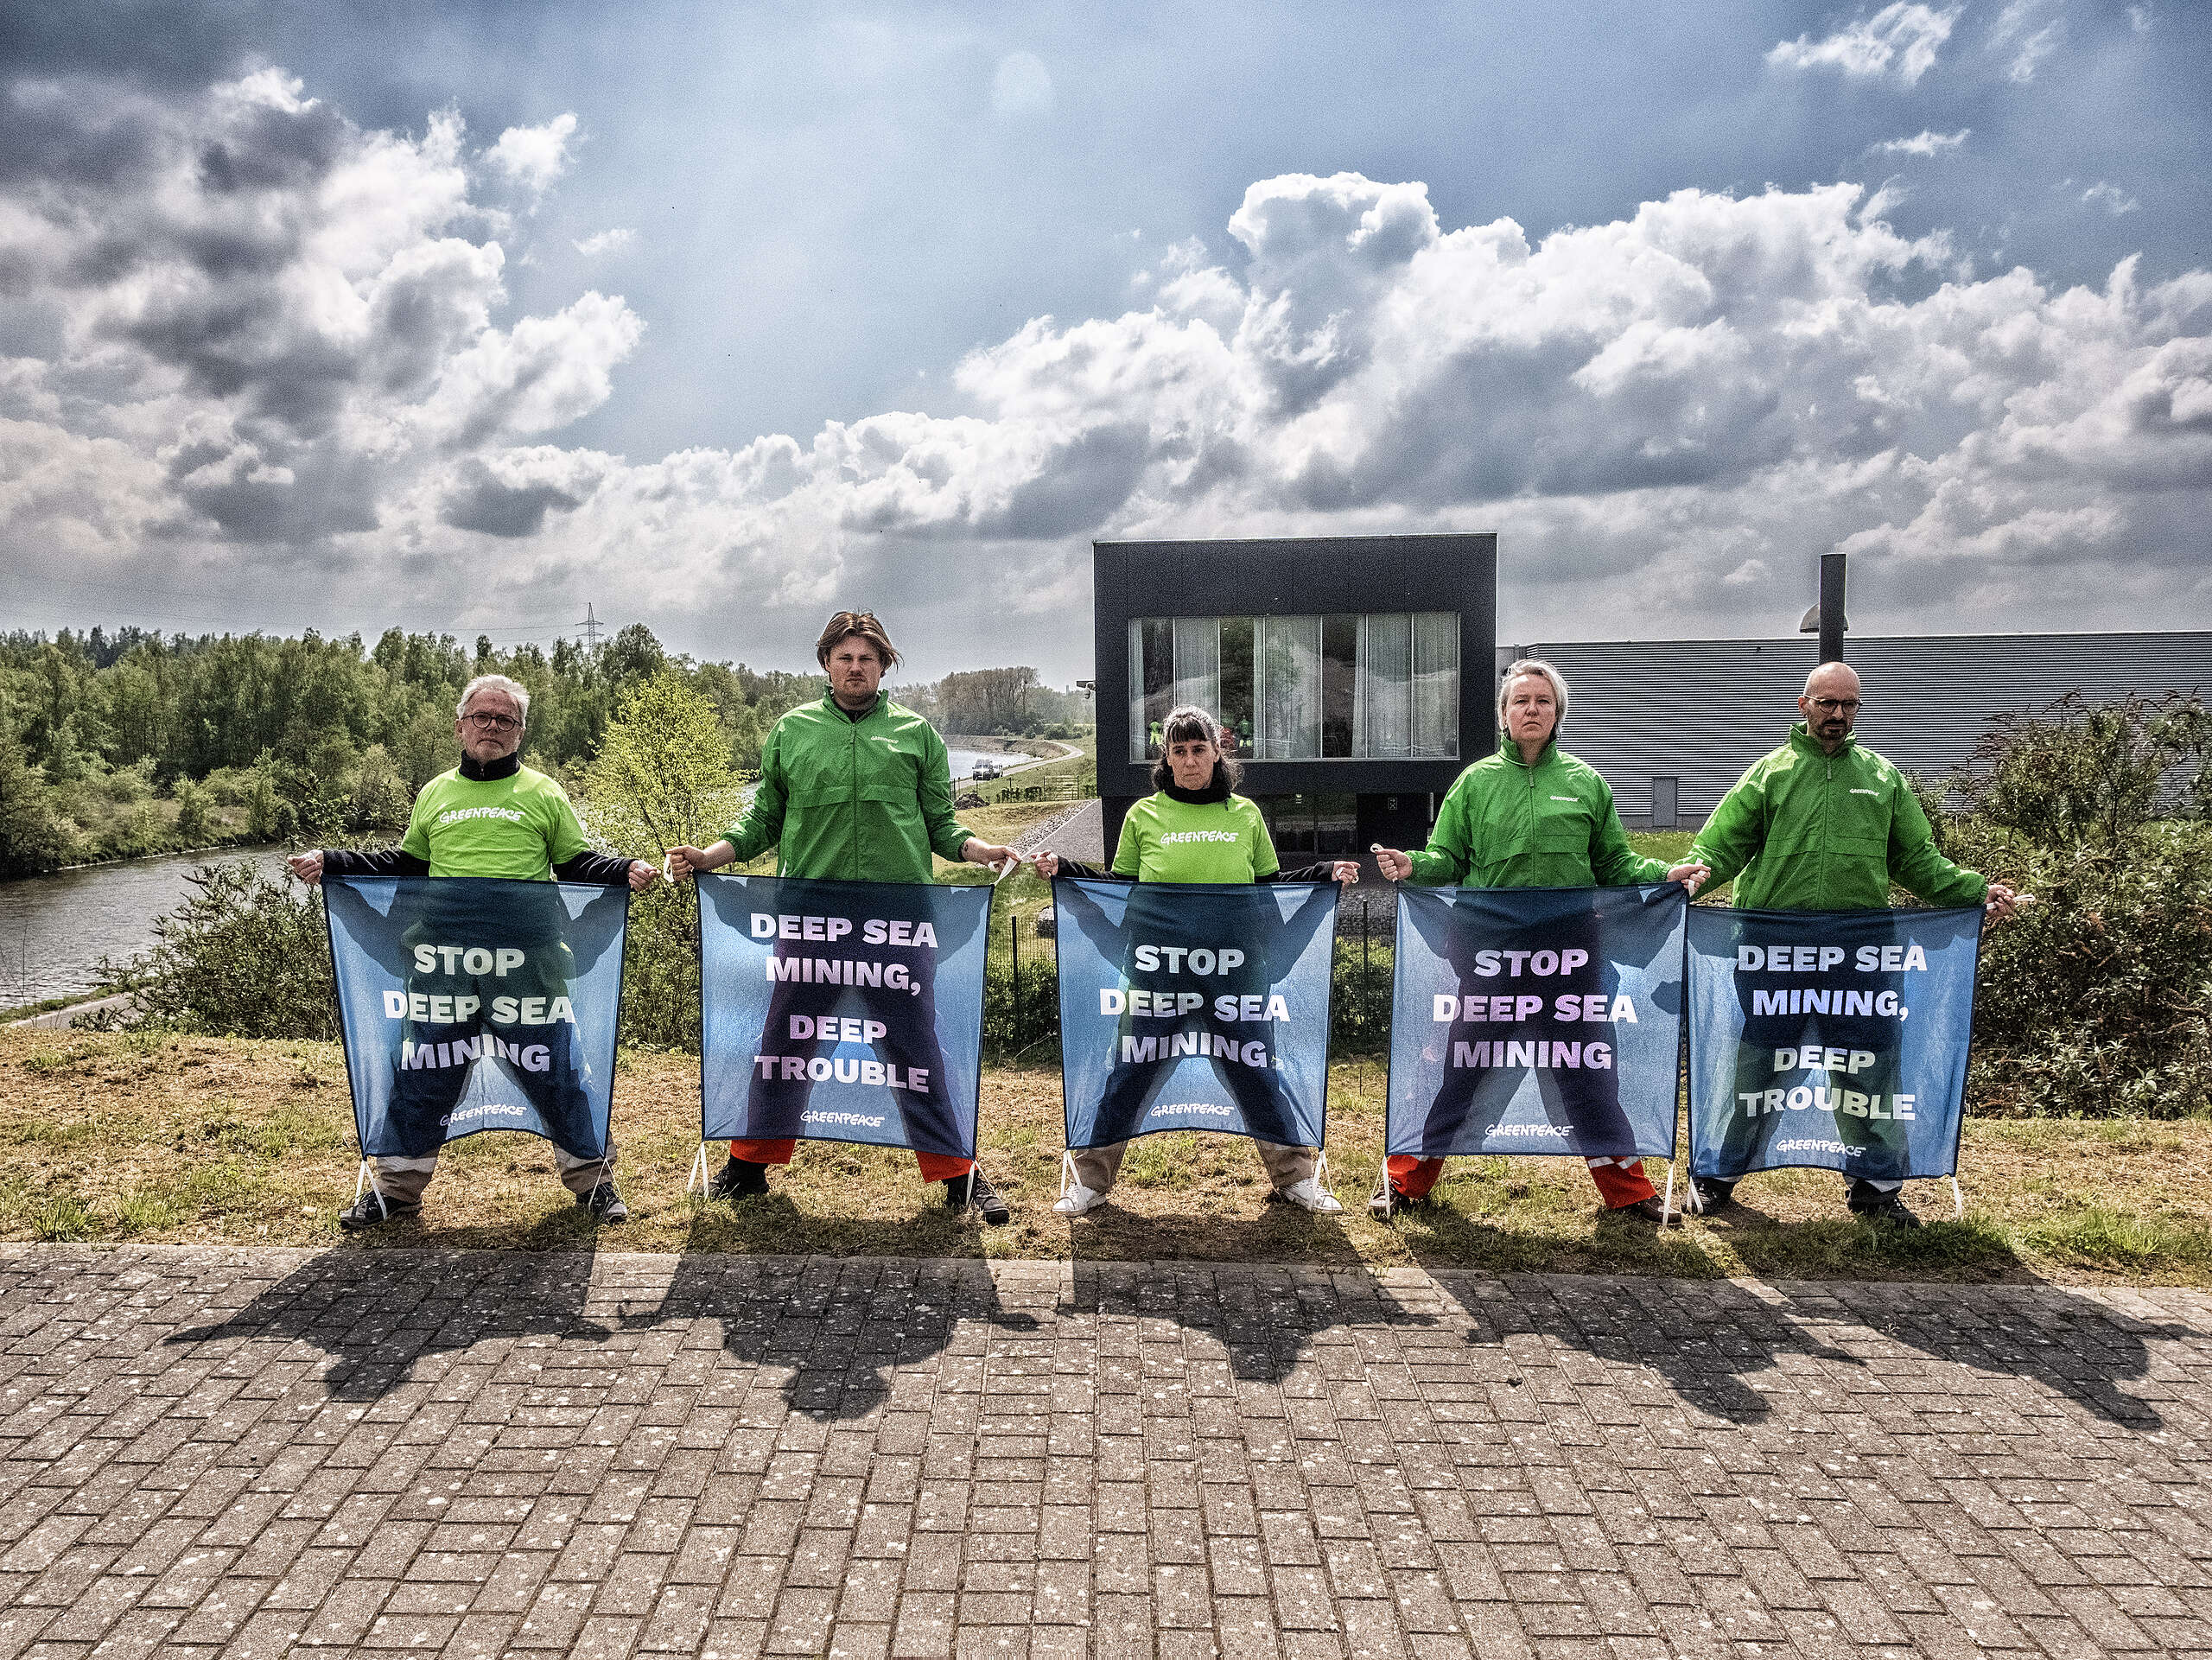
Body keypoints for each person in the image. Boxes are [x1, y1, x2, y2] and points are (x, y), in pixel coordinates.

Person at [668, 610, 1020, 1223]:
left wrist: (981, 849)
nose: (855, 667)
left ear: (884, 665)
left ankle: (958, 1175)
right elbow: (762, 822)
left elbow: (941, 824)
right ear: (826, 663)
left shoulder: (917, 734)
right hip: (811, 916)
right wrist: (711, 855)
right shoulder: (791, 731)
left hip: (899, 917)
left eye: (867, 657)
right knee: (786, 1040)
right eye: (844, 657)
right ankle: (748, 1167)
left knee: (916, 1045)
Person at [289, 673, 658, 1231]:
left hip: (528, 964)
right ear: (460, 725)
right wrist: (335, 863)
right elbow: (409, 865)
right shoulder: (435, 793)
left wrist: (624, 868)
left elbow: (577, 861)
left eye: (505, 719)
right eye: (482, 717)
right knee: (423, 1073)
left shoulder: (544, 793)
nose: (492, 727)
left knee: (557, 1070)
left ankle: (594, 1185)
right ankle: (395, 1191)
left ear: (521, 731)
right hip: (445, 963)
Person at [1681, 660, 2021, 1226]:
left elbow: (1918, 861)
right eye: (1826, 702)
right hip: (1773, 951)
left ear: (1858, 710)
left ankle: (1875, 1191)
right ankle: (1715, 1179)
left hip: (1858, 955)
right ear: (1803, 705)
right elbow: (1718, 849)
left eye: (1848, 704)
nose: (1837, 713)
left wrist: (1975, 890)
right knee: (1758, 1067)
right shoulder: (1768, 775)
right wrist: (1684, 884)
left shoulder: (1883, 780)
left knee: (1866, 1067)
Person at [1370, 658, 1708, 1224]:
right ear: (1504, 714)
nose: (1532, 709)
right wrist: (1414, 864)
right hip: (1488, 954)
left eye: (1542, 701)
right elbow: (1447, 859)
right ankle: (1404, 1182)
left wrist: (1663, 872)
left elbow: (1616, 863)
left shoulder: (1585, 782)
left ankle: (1629, 1192)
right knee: (1459, 1067)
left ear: (1557, 713)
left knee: (1590, 1070)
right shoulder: (1475, 784)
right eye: (1521, 700)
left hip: (1570, 954)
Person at [1034, 704, 1359, 1217]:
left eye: (1198, 750)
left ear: (1217, 752)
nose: (1189, 762)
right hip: (1157, 974)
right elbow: (1119, 890)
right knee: (1128, 1072)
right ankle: (1089, 1182)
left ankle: (1295, 1178)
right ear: (1166, 757)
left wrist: (1323, 872)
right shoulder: (1143, 815)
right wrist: (1065, 868)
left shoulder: (1245, 815)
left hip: (1235, 975)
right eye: (1178, 751)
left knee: (1258, 1073)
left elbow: (1268, 891)